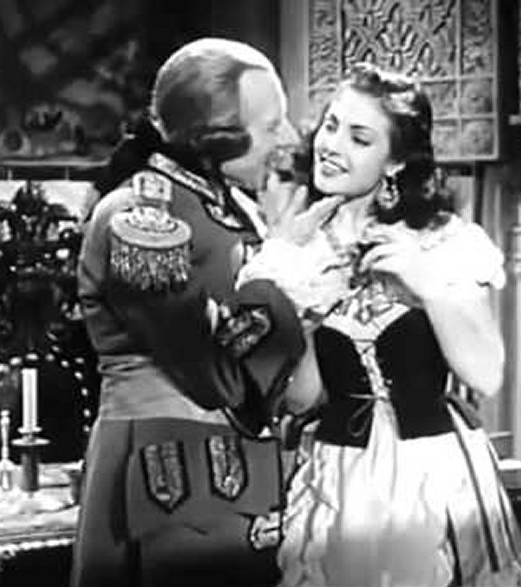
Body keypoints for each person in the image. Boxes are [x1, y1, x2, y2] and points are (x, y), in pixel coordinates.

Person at [241, 62, 521, 586]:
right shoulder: (302, 246)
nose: (332, 146)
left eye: (359, 138)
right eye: (331, 126)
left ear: (395, 161)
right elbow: (304, 398)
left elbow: (486, 374)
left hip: (427, 472)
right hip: (338, 474)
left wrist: (426, 284)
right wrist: (299, 304)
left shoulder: (443, 241)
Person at [70, 38, 340, 587]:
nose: (288, 139)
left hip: (240, 473)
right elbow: (214, 375)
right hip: (168, 473)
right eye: (271, 126)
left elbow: (283, 382)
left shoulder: (228, 208)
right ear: (212, 137)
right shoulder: (142, 222)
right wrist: (280, 269)